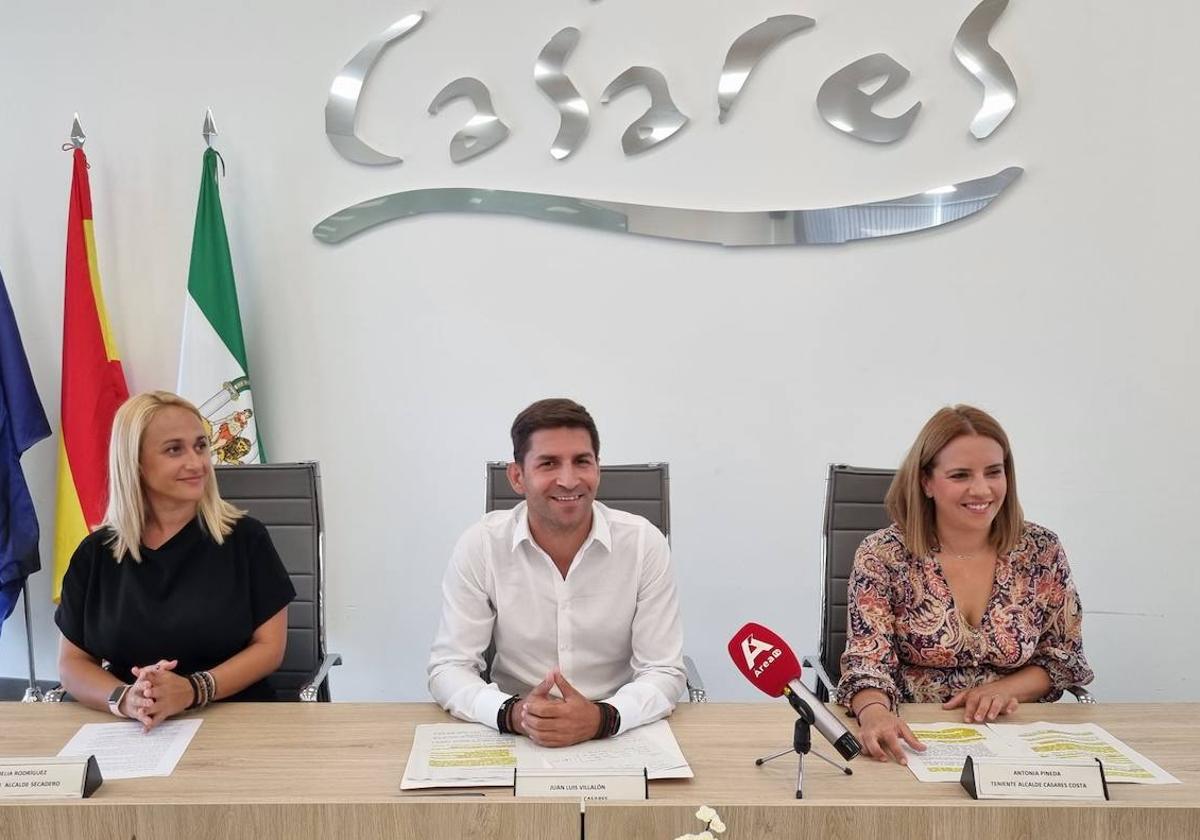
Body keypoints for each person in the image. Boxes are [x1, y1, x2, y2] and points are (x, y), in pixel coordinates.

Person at [836, 405, 1093, 764]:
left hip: (1019, 737)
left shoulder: (1041, 551)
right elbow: (867, 664)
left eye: (994, 472)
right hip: (915, 738)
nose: (981, 489)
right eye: (960, 475)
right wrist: (875, 714)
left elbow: (1064, 658)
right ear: (926, 482)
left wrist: (1003, 690)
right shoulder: (883, 555)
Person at [428, 398, 686, 747]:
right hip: (516, 731)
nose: (568, 480)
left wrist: (602, 718)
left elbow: (664, 670)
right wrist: (513, 714)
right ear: (517, 476)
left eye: (582, 461)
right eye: (549, 463)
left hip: (619, 731)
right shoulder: (481, 545)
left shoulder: (643, 544)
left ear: (598, 469)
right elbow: (450, 668)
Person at [55, 391, 296, 729]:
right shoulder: (95, 554)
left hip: (236, 717)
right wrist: (125, 699)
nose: (197, 463)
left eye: (200, 446)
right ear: (135, 462)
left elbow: (270, 648)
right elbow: (73, 662)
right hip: (133, 728)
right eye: (174, 450)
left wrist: (193, 690)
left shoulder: (246, 539)